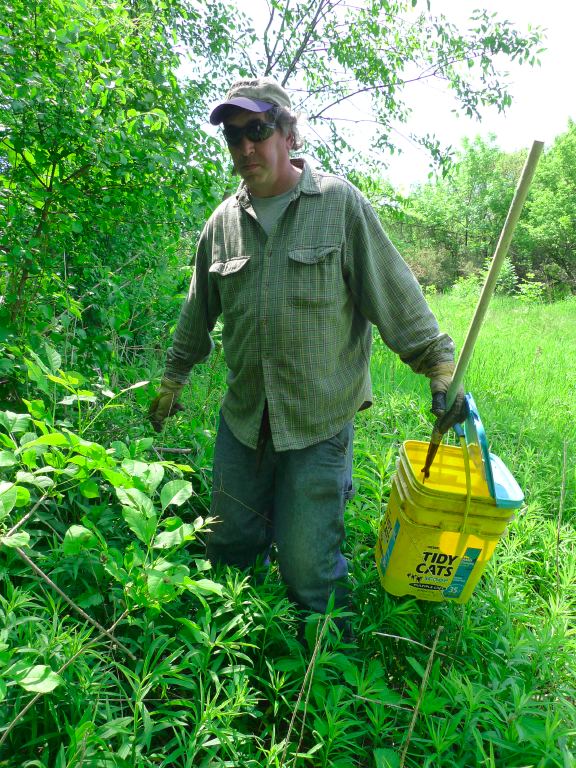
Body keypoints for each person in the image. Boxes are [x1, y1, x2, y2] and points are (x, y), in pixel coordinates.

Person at [149, 78, 465, 624]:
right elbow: (196, 314)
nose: (244, 148)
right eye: (233, 137)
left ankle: (324, 671)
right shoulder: (222, 224)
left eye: (257, 130)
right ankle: (229, 658)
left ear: (288, 133)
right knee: (228, 547)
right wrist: (172, 380)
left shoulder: (339, 205)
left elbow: (392, 292)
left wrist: (438, 367)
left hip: (318, 422)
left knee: (308, 566)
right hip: (245, 420)